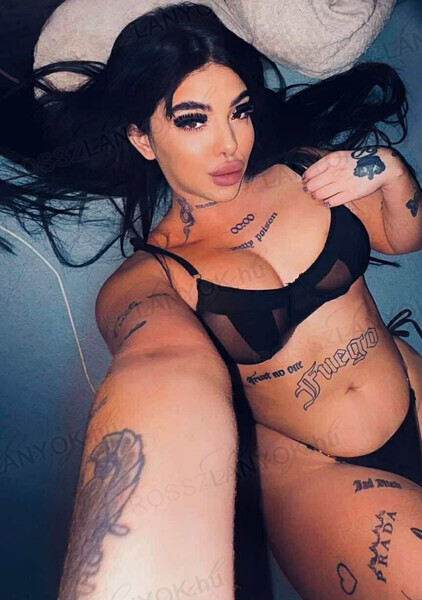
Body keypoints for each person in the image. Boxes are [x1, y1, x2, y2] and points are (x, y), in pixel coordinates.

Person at [1, 3, 422, 599]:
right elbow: (160, 366)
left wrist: (392, 173)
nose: (230, 144)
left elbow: (402, 237)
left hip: (410, 387)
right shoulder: (150, 277)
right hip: (319, 472)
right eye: (193, 120)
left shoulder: (306, 171)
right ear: (142, 138)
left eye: (240, 111)